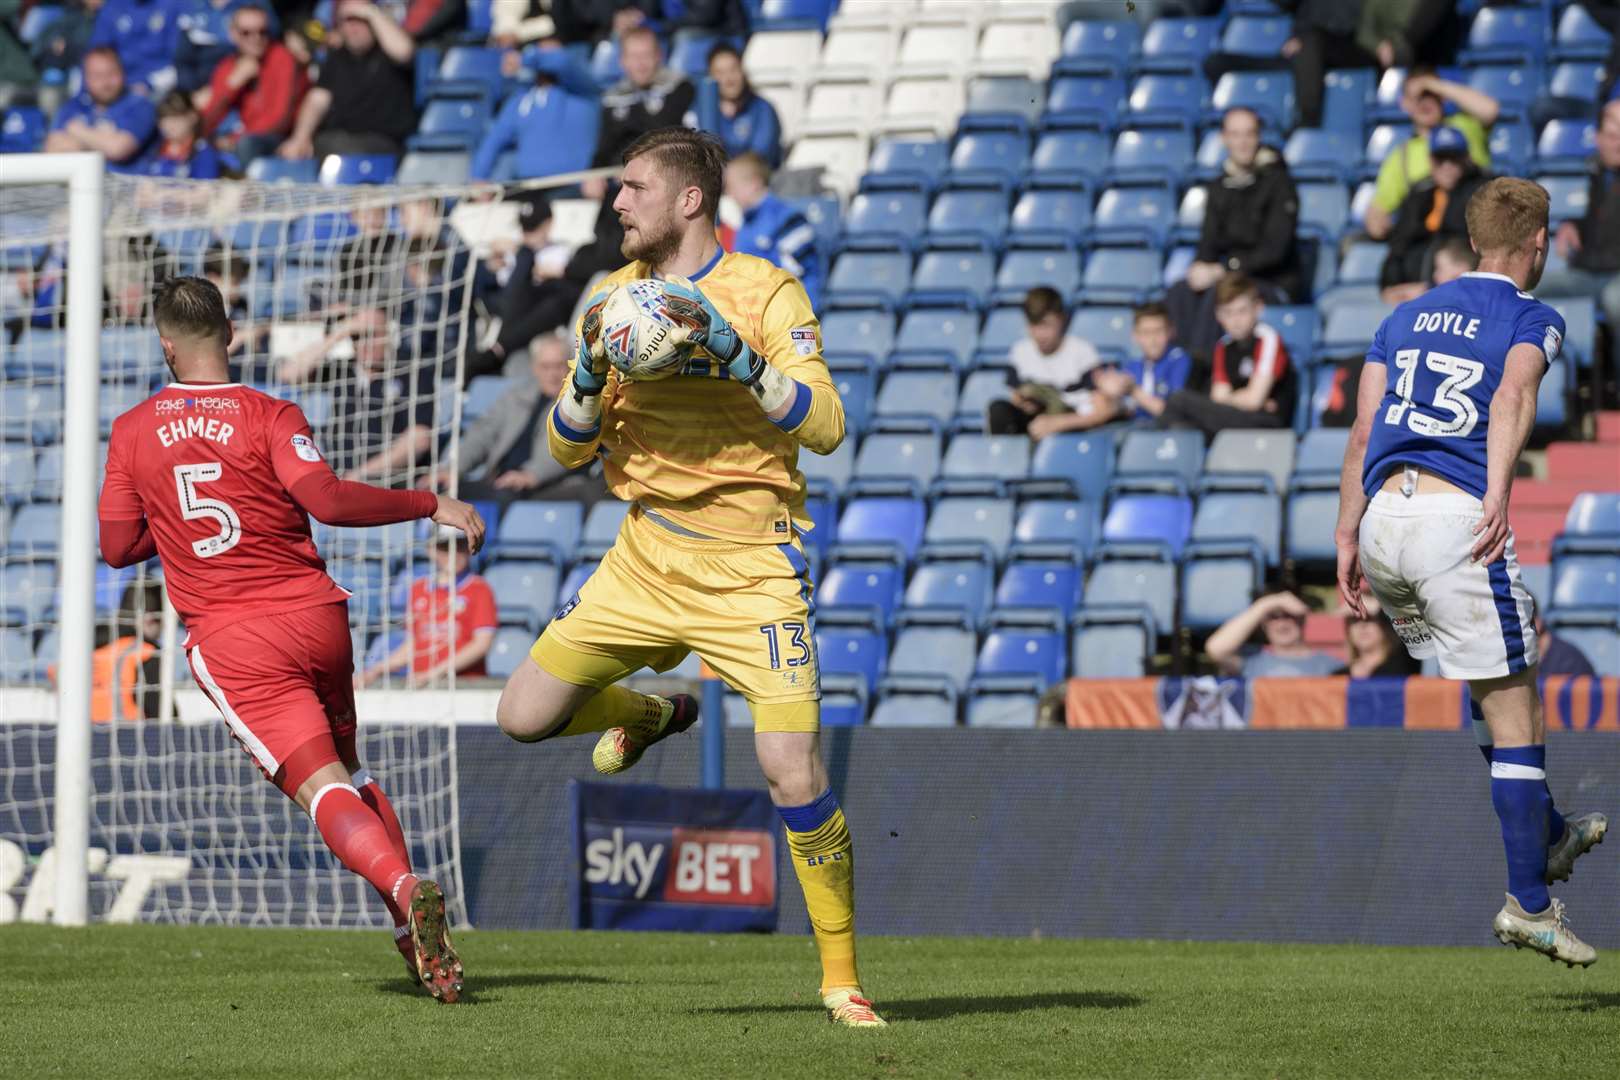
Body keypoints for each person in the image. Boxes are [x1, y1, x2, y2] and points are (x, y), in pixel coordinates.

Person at [495, 128, 885, 1028]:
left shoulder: (764, 291)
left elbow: (824, 425)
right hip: (644, 556)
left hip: (751, 567)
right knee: (521, 717)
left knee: (791, 771)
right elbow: (561, 447)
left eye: (634, 188)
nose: (618, 203)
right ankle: (651, 710)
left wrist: (738, 358)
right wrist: (587, 381)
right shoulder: (609, 299)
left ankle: (841, 979)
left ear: (690, 200)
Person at [97, 275, 484, 998]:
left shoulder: (132, 430)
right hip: (318, 617)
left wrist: (177, 527)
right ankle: (416, 942)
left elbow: (117, 548)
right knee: (352, 772)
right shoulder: (271, 413)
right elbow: (327, 500)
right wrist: (430, 500)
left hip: (236, 637)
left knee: (323, 791)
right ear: (232, 335)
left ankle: (404, 888)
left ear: (165, 345)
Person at [1335, 177, 1606, 967]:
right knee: (1520, 711)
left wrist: (1347, 532)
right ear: (1538, 243)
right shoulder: (1531, 315)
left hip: (1385, 520)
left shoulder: (1406, 312)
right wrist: (1498, 490)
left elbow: (1363, 428)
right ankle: (1530, 903)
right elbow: (1515, 392)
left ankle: (1550, 835)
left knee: (1491, 686)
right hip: (1453, 522)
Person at [1166, 107, 1300, 360]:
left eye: (1249, 134)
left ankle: (1199, 371)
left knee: (1221, 293)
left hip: (1271, 280)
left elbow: (1275, 250)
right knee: (1180, 291)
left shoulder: (1279, 182)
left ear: (1258, 137)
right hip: (1231, 275)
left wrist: (1224, 268)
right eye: (1236, 134)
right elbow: (1208, 242)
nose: (1243, 142)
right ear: (1224, 138)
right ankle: (1177, 366)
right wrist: (1200, 268)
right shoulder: (1218, 187)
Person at [441, 332, 598, 502]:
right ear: (534, 368)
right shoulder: (515, 397)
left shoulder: (582, 403)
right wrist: (453, 469)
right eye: (545, 366)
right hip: (499, 481)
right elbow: (482, 435)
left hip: (543, 486)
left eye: (558, 366)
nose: (552, 374)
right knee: (441, 494)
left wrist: (531, 475)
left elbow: (567, 450)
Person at [1365, 68, 1499, 241]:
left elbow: (1490, 110)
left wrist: (1434, 85)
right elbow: (1378, 210)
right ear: (1405, 104)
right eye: (1417, 97)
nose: (1425, 102)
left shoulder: (1465, 127)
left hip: (1473, 232)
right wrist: (1377, 222)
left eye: (1430, 94)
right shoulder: (1401, 156)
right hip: (1430, 240)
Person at [356, 527, 497, 688]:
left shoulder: (480, 590)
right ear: (431, 550)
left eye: (460, 546)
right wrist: (376, 670)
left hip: (463, 686)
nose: (454, 554)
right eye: (445, 547)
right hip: (423, 685)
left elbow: (481, 644)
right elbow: (413, 644)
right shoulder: (418, 589)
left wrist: (435, 673)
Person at [1158, 274, 1296, 438]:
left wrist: (1243, 400)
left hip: (1265, 424)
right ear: (1218, 315)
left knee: (1178, 400)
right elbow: (1218, 398)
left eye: (1242, 311)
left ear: (1258, 308)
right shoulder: (1223, 346)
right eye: (1228, 313)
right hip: (1232, 420)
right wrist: (1245, 399)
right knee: (1180, 428)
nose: (1235, 320)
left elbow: (1254, 399)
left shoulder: (1268, 339)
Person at [1538, 98, 1620, 373]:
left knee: (1616, 302)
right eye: (1611, 136)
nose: (1617, 143)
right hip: (1586, 272)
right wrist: (1571, 224)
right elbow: (1593, 218)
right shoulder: (1592, 174)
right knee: (1526, 287)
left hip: (1617, 277)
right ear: (1597, 138)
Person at [277, 0, 417, 161]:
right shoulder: (336, 58)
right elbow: (317, 100)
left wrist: (370, 12)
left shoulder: (388, 53)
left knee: (332, 145)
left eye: (360, 20)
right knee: (290, 151)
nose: (353, 28)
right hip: (339, 138)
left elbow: (405, 51)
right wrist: (300, 138)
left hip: (385, 142)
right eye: (347, 21)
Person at [469, 193, 586, 378]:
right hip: (507, 318)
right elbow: (493, 298)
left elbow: (555, 285)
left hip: (535, 330)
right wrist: (489, 270)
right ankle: (497, 351)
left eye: (533, 229)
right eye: (524, 229)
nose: (527, 236)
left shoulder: (560, 252)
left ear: (548, 224)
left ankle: (498, 350)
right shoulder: (509, 256)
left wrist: (522, 252)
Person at [1379, 126, 1490, 305]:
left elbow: (1476, 253)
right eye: (1440, 158)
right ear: (1430, 160)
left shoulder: (1482, 193)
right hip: (1409, 292)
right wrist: (1390, 286)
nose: (1447, 166)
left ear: (1466, 159)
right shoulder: (1419, 193)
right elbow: (1398, 246)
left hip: (1459, 294)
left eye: (1454, 158)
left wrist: (1430, 289)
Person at [986, 286, 1107, 438]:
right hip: (1034, 424)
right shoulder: (1020, 351)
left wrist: (1057, 423)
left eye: (1046, 325)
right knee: (999, 410)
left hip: (1071, 427)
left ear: (1062, 319)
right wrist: (1027, 403)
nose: (1039, 334)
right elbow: (1016, 396)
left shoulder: (1083, 353)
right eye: (1033, 325)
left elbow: (1102, 410)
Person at [198, 2, 307, 167]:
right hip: (237, 139)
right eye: (246, 33)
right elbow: (206, 122)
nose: (255, 39)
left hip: (274, 141)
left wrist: (235, 139)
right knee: (198, 146)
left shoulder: (283, 59)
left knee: (247, 145)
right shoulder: (227, 67)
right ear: (233, 34)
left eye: (262, 32)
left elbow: (279, 119)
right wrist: (233, 84)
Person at [470, 45, 600, 181]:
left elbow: (563, 62)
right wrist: (479, 176)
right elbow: (493, 141)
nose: (546, 57)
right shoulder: (519, 100)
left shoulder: (583, 91)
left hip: (574, 185)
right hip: (530, 185)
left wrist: (526, 58)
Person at [722, 152, 822, 312]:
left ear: (754, 183)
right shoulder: (745, 225)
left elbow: (801, 278)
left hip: (790, 317)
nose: (729, 194)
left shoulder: (787, 219)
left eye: (732, 187)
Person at [589, 25, 694, 170]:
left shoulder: (678, 86)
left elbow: (663, 132)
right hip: (620, 174)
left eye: (646, 55)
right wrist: (594, 174)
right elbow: (605, 146)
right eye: (633, 56)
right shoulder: (613, 97)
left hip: (668, 169)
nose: (640, 64)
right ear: (622, 60)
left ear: (659, 56)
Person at [43, 47, 157, 171]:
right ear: (85, 78)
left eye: (111, 74)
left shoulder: (140, 106)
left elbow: (117, 149)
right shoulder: (74, 106)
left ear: (122, 72)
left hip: (128, 187)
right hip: (80, 185)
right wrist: (102, 140)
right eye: (97, 76)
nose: (105, 82)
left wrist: (77, 131)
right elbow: (53, 148)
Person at [1092, 302, 1194, 424]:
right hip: (1135, 432)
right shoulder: (1133, 366)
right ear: (1135, 336)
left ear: (1171, 331)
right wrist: (1107, 391)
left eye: (1158, 331)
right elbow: (1125, 407)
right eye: (1146, 332)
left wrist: (1133, 391)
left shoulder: (1179, 360)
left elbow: (1173, 413)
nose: (1153, 340)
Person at [1206, 591, 1344, 678]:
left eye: (1289, 616)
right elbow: (1215, 649)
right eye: (1273, 617)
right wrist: (1266, 604)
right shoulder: (1252, 660)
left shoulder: (1329, 664)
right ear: (1263, 625)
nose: (1282, 624)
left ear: (1302, 620)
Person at [693, 43, 782, 168]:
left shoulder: (762, 109)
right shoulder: (700, 111)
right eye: (720, 73)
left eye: (733, 69)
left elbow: (761, 157)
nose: (728, 79)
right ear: (711, 77)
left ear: (743, 71)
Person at [89, 0, 182, 95]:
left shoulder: (171, 4)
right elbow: (98, 53)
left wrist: (147, 83)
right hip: (120, 81)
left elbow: (177, 54)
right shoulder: (112, 7)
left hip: (159, 80)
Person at [138, 90, 224, 178]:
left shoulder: (203, 153)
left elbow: (206, 188)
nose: (169, 125)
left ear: (192, 117)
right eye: (164, 118)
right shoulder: (155, 147)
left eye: (175, 117)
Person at [1336, 593, 1419, 677]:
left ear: (1385, 625)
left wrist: (1379, 608)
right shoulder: (1339, 676)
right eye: (1355, 620)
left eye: (1370, 618)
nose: (1362, 626)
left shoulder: (1403, 663)